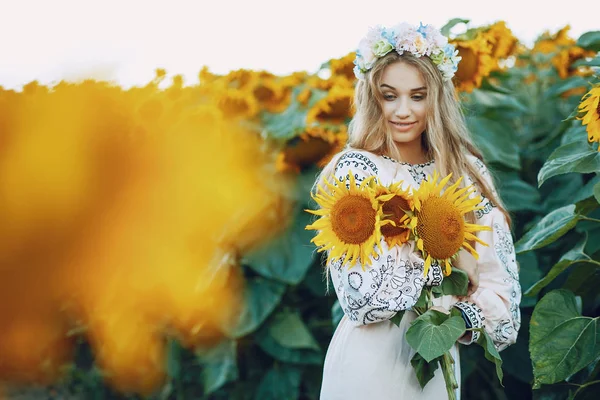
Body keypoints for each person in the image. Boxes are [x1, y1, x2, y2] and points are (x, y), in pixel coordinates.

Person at [314, 22, 522, 399]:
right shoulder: (356, 172)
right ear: (371, 98)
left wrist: (452, 321)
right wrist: (450, 257)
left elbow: (505, 312)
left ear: (437, 98)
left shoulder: (467, 177)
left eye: (418, 96)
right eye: (389, 96)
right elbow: (364, 301)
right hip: (368, 368)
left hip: (438, 371)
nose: (403, 111)